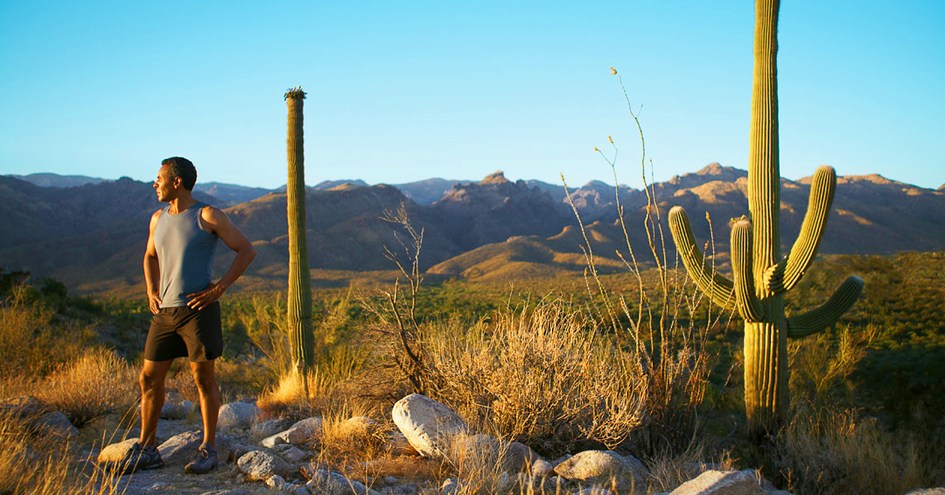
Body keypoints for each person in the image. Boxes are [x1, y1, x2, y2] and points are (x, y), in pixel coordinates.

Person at [120, 157, 256, 475]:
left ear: (176, 182)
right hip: (165, 312)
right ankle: (148, 447)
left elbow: (247, 249)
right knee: (149, 378)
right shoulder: (157, 218)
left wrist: (219, 288)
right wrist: (151, 290)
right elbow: (149, 256)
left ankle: (208, 448)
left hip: (198, 311)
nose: (155, 183)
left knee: (203, 380)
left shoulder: (207, 215)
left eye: (159, 178)